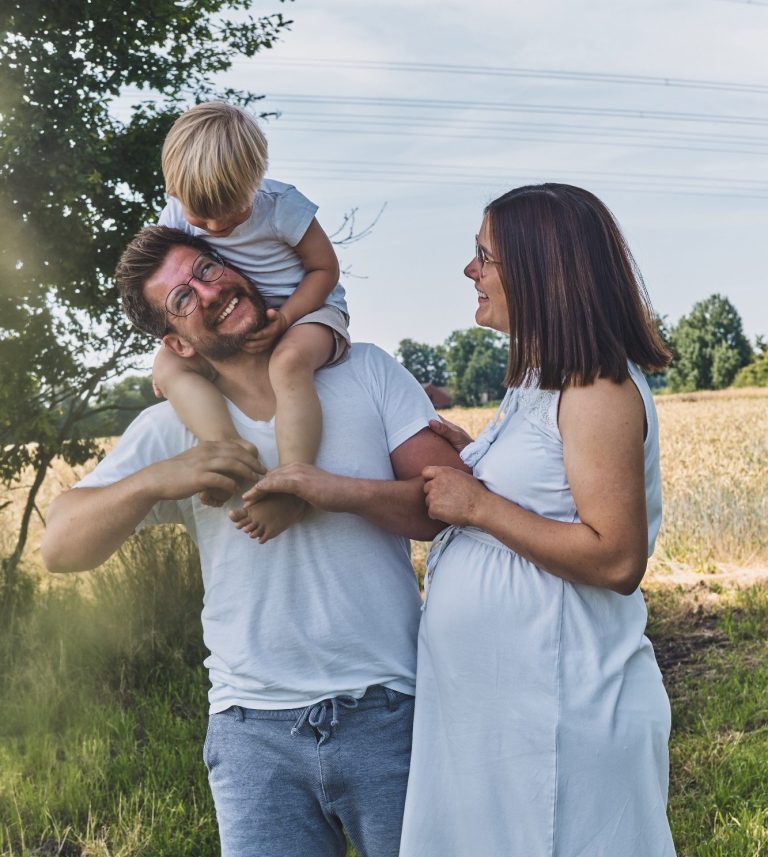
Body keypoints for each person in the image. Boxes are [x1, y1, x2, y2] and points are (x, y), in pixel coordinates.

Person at [41, 226, 461, 857]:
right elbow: (59, 547)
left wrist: (326, 487)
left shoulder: (364, 372)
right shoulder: (171, 429)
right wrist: (157, 480)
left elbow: (446, 504)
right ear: (177, 342)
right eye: (182, 298)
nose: (207, 291)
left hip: (390, 710)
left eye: (207, 270)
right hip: (251, 733)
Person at [397, 184, 677, 856]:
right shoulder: (539, 380)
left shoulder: (597, 388)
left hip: (561, 718)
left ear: (541, 268)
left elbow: (615, 558)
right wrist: (478, 458)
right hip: (506, 718)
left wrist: (480, 505)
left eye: (485, 256)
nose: (471, 271)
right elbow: (549, 488)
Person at [155, 101, 349, 535]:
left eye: (229, 212)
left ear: (254, 185)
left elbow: (325, 270)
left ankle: (292, 486)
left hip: (309, 313)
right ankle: (226, 451)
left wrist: (287, 319)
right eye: (198, 215)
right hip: (238, 322)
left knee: (289, 364)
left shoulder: (282, 206)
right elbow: (166, 280)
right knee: (168, 366)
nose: (212, 224)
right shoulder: (175, 212)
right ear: (174, 190)